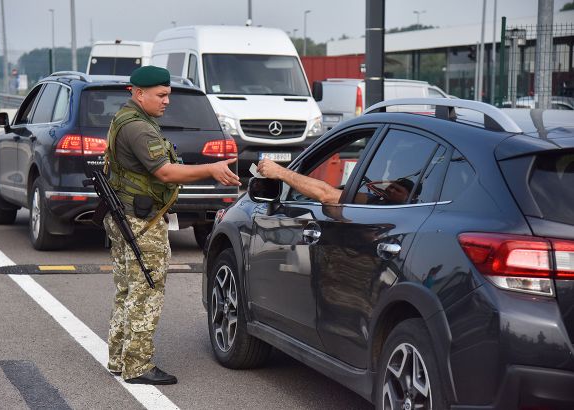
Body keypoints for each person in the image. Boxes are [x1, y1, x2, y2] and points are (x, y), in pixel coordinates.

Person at [103, 65, 240, 385]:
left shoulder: (125, 119)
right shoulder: (139, 128)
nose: (167, 102)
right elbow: (165, 173)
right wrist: (212, 169)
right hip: (140, 222)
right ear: (138, 94)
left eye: (168, 95)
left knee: (126, 291)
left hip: (124, 216)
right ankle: (137, 366)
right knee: (146, 291)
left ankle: (118, 357)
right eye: (161, 95)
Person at [256, 158, 416, 205]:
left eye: (399, 191)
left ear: (411, 197)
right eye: (392, 186)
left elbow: (326, 194)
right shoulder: (376, 200)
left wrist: (280, 172)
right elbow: (342, 195)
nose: (392, 190)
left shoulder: (401, 208)